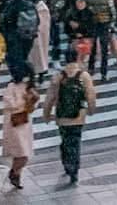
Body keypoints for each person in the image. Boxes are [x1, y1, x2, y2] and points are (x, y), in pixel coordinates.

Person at [43, 41, 98, 185]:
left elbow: (50, 98)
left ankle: (67, 164)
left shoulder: (58, 77)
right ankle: (74, 169)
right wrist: (91, 110)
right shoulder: (83, 76)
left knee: (65, 141)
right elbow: (91, 95)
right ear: (77, 57)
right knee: (75, 142)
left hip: (62, 116)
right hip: (78, 116)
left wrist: (47, 115)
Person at [1, 71, 38, 189]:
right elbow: (9, 104)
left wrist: (32, 100)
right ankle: (15, 174)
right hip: (14, 123)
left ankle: (15, 173)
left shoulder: (28, 87)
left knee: (24, 153)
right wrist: (25, 100)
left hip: (25, 123)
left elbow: (32, 107)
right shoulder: (11, 87)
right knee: (21, 152)